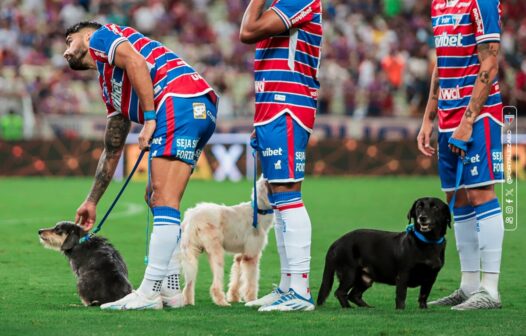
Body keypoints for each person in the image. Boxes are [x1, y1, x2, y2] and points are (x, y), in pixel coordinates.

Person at [64, 21, 218, 310]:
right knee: (157, 198)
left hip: (178, 99)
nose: (65, 51)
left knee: (162, 198)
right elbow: (112, 147)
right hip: (199, 105)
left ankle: (147, 293)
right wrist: (92, 200)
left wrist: (149, 118)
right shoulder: (109, 84)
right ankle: (171, 291)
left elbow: (136, 60)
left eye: (69, 41)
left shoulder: (100, 37)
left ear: (85, 35)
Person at [417, 0, 504, 310]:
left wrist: (468, 121)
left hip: (477, 117)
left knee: (481, 194)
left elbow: (490, 63)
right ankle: (468, 286)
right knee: (459, 199)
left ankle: (490, 289)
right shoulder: (439, 4)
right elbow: (441, 64)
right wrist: (428, 116)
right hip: (447, 115)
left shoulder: (481, 3)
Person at [239, 0, 322, 311]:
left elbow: (248, 31)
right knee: (277, 195)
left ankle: (300, 291)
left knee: (287, 193)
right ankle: (288, 286)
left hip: (288, 102)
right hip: (271, 103)